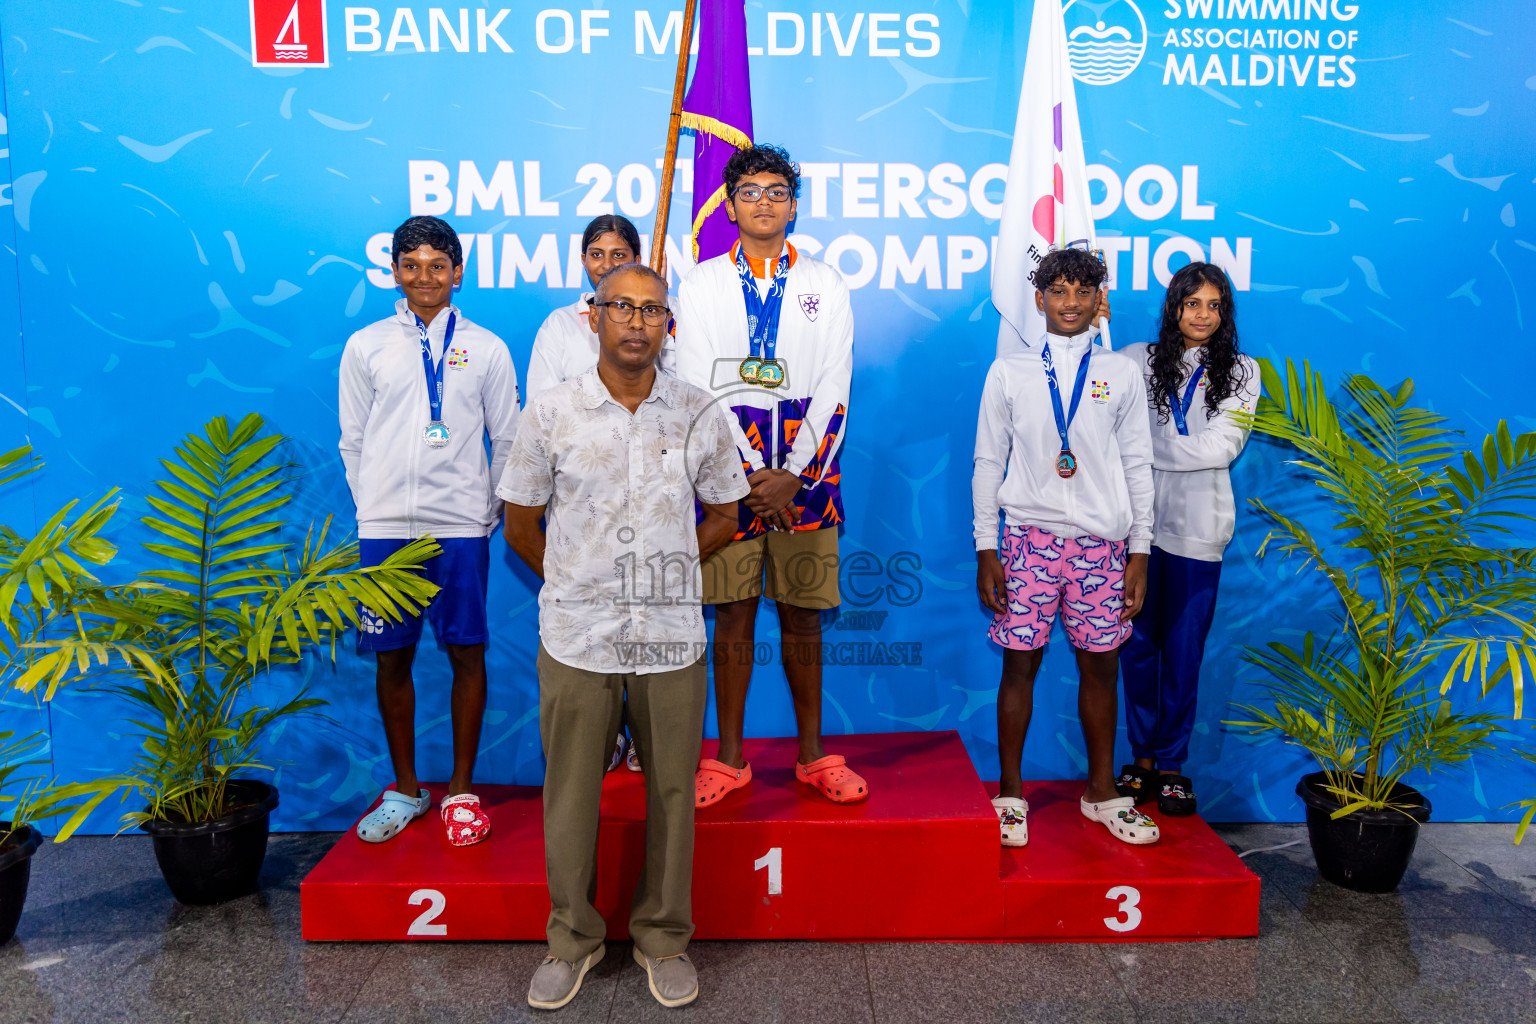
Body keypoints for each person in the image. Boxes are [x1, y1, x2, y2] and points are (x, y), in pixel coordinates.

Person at [499, 263, 748, 1010]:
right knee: (571, 792)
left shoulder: (701, 412)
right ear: (594, 316)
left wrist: (669, 573)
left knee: (673, 790)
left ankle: (663, 939)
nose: (638, 322)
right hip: (577, 635)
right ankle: (571, 941)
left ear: (667, 323)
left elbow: (728, 513)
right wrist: (575, 579)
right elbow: (519, 522)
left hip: (670, 636)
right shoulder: (550, 413)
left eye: (652, 310)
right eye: (622, 308)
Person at [672, 144, 860, 808]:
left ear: (793, 203)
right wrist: (752, 475)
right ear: (729, 204)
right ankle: (727, 759)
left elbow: (835, 384)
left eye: (777, 190)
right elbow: (695, 384)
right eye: (749, 191)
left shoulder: (825, 282)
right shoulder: (699, 286)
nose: (763, 202)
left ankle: (812, 755)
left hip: (809, 471)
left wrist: (795, 476)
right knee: (732, 614)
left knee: (805, 616)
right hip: (728, 470)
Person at [338, 214, 520, 847]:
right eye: (410, 265)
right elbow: (353, 440)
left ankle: (462, 792)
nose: (424, 277)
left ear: (457, 273)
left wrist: (484, 512)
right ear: (394, 271)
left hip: (463, 529)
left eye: (437, 266)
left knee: (468, 652)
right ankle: (408, 789)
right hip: (386, 530)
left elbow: (510, 439)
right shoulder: (367, 345)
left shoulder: (489, 348)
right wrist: (374, 512)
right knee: (392, 659)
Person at [972, 247, 1156, 848]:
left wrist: (1140, 551)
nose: (1071, 303)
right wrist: (985, 547)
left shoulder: (1122, 374)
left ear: (1098, 300)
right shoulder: (1009, 372)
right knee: (1018, 665)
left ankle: (1102, 792)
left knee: (1101, 668)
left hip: (1103, 547)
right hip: (1026, 540)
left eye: (1082, 292)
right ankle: (1011, 795)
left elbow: (1137, 463)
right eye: (1058, 292)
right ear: (1039, 299)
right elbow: (986, 462)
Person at [1116, 262, 1259, 817]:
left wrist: (1140, 450)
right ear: (1173, 306)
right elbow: (1092, 400)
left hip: (1199, 533)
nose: (1202, 314)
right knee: (1136, 649)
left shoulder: (1243, 372)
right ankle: (1142, 760)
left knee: (1183, 653)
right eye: (1191, 302)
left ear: (1224, 314)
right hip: (1134, 533)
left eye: (1213, 305)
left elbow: (1218, 449)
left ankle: (1173, 765)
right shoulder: (1134, 358)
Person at [526, 213, 651, 775]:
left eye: (619, 252)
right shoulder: (560, 326)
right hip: (581, 498)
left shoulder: (656, 322)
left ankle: (644, 730)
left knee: (647, 611)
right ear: (583, 262)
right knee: (591, 620)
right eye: (597, 254)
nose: (608, 263)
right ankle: (604, 735)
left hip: (650, 495)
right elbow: (541, 410)